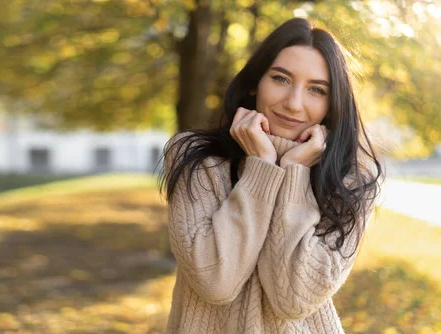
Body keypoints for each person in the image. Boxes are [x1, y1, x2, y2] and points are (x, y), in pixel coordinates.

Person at [159, 17, 383, 333]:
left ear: (332, 104)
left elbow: (293, 300)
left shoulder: (352, 180)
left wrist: (295, 173)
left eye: (316, 90)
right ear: (255, 82)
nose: (293, 104)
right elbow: (215, 282)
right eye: (280, 79)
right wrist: (262, 167)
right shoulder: (197, 158)